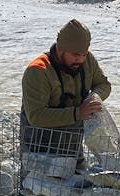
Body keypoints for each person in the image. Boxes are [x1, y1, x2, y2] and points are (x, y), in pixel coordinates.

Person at [20, 19, 111, 159]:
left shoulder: (87, 60)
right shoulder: (38, 70)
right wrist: (78, 113)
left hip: (73, 146)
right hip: (38, 149)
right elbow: (36, 116)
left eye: (84, 55)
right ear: (60, 49)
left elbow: (103, 85)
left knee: (79, 180)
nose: (80, 60)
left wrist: (94, 97)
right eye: (75, 55)